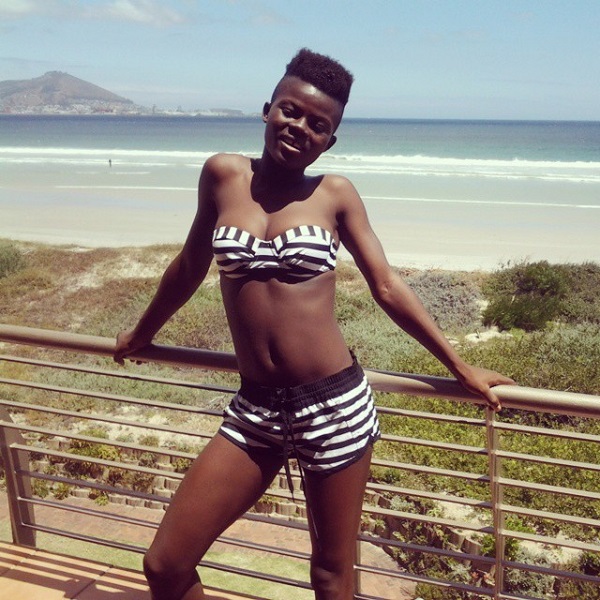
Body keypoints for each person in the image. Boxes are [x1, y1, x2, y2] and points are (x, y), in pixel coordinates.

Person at [114, 48, 514, 600]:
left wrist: (460, 366)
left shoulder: (335, 194)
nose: (300, 127)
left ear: (330, 140)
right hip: (255, 408)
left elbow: (387, 286)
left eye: (318, 125)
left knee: (330, 574)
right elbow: (189, 266)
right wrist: (143, 333)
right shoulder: (222, 175)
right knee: (165, 564)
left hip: (334, 406)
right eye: (291, 110)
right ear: (267, 109)